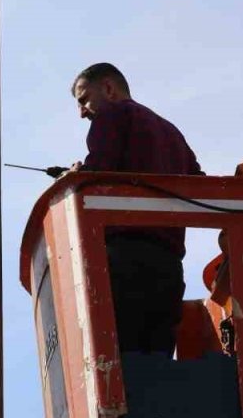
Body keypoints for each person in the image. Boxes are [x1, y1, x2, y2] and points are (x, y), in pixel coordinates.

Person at [70, 62, 203, 355]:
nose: (82, 113)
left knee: (119, 366)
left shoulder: (111, 115)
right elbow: (199, 187)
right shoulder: (171, 132)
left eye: (83, 99)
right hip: (168, 268)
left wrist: (78, 177)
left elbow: (99, 171)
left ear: (108, 88)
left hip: (123, 261)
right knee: (156, 365)